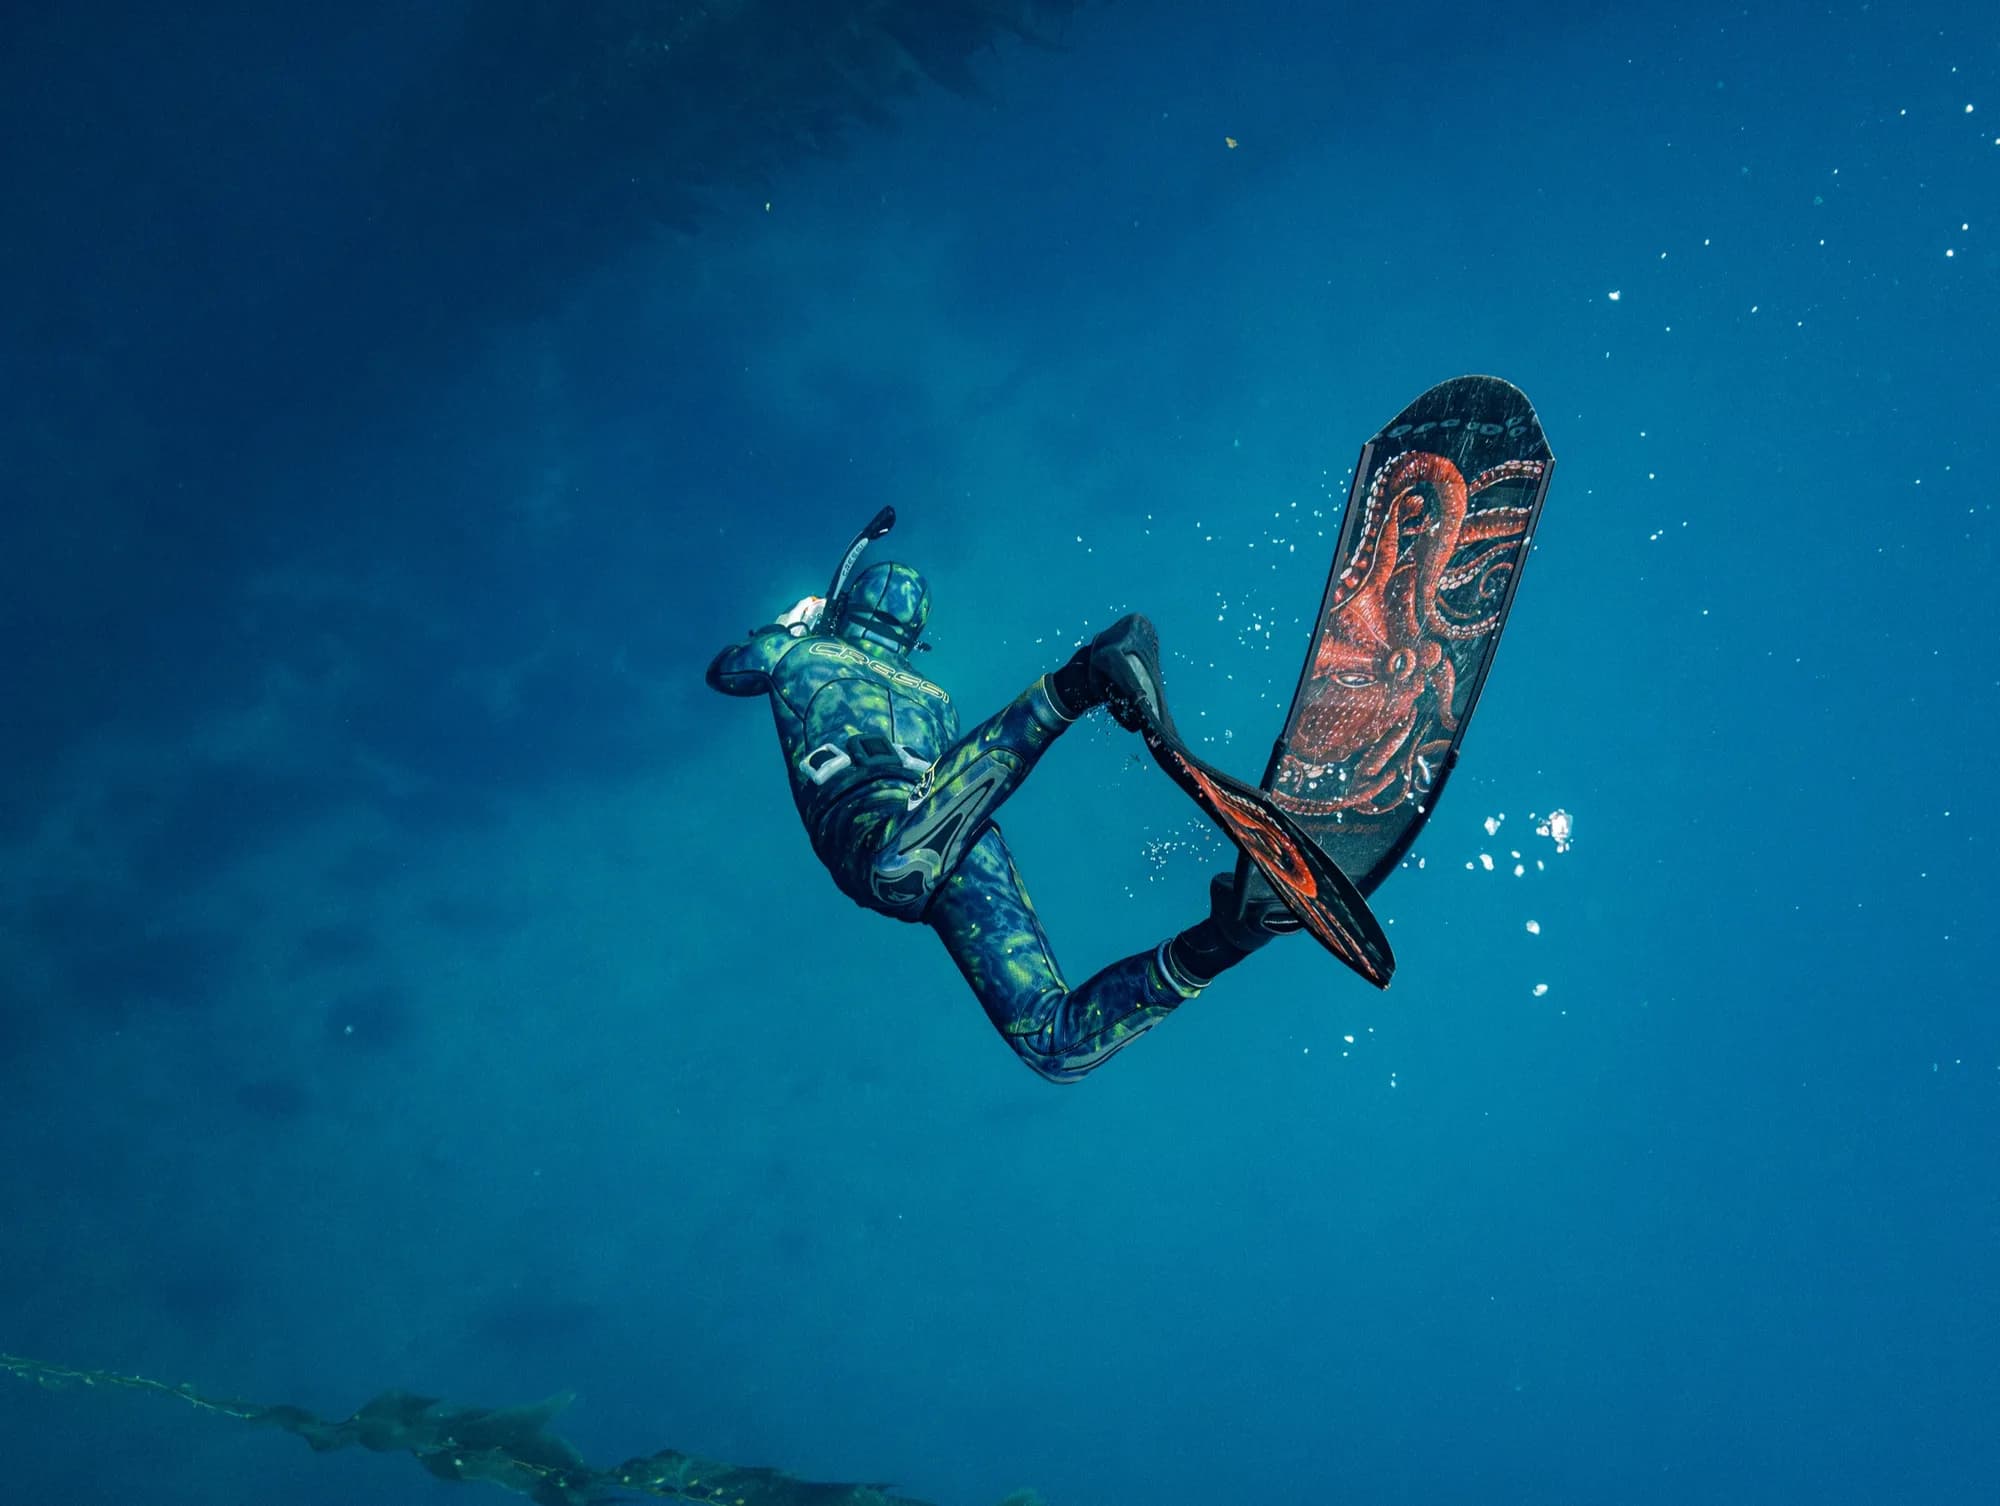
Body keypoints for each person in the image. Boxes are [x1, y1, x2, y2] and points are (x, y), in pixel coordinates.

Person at [705, 558, 1299, 1083]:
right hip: (956, 827)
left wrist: (790, 628)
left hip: (882, 823)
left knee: (894, 870)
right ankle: (1226, 937)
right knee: (1051, 1044)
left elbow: (726, 672)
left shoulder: (796, 655)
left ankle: (1081, 680)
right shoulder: (933, 695)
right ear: (912, 633)